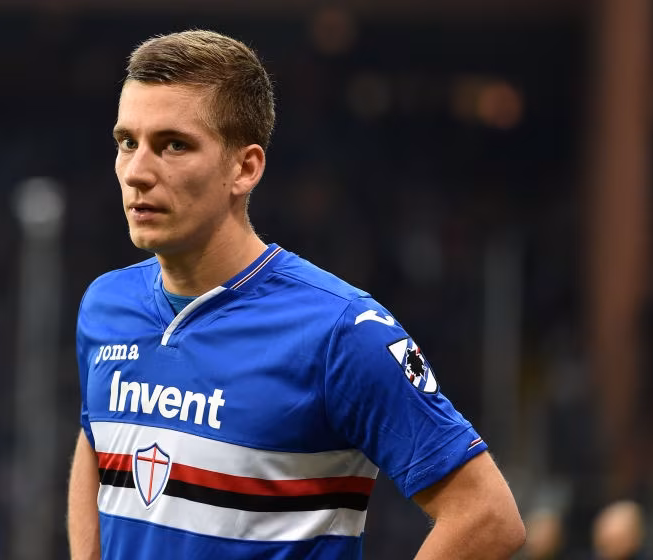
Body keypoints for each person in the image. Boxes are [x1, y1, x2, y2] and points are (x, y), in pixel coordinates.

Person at [67, 29, 525, 559]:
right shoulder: (105, 305)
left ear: (245, 168)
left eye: (174, 145)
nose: (137, 172)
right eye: (128, 142)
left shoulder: (341, 332)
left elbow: (487, 515)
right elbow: (97, 442)